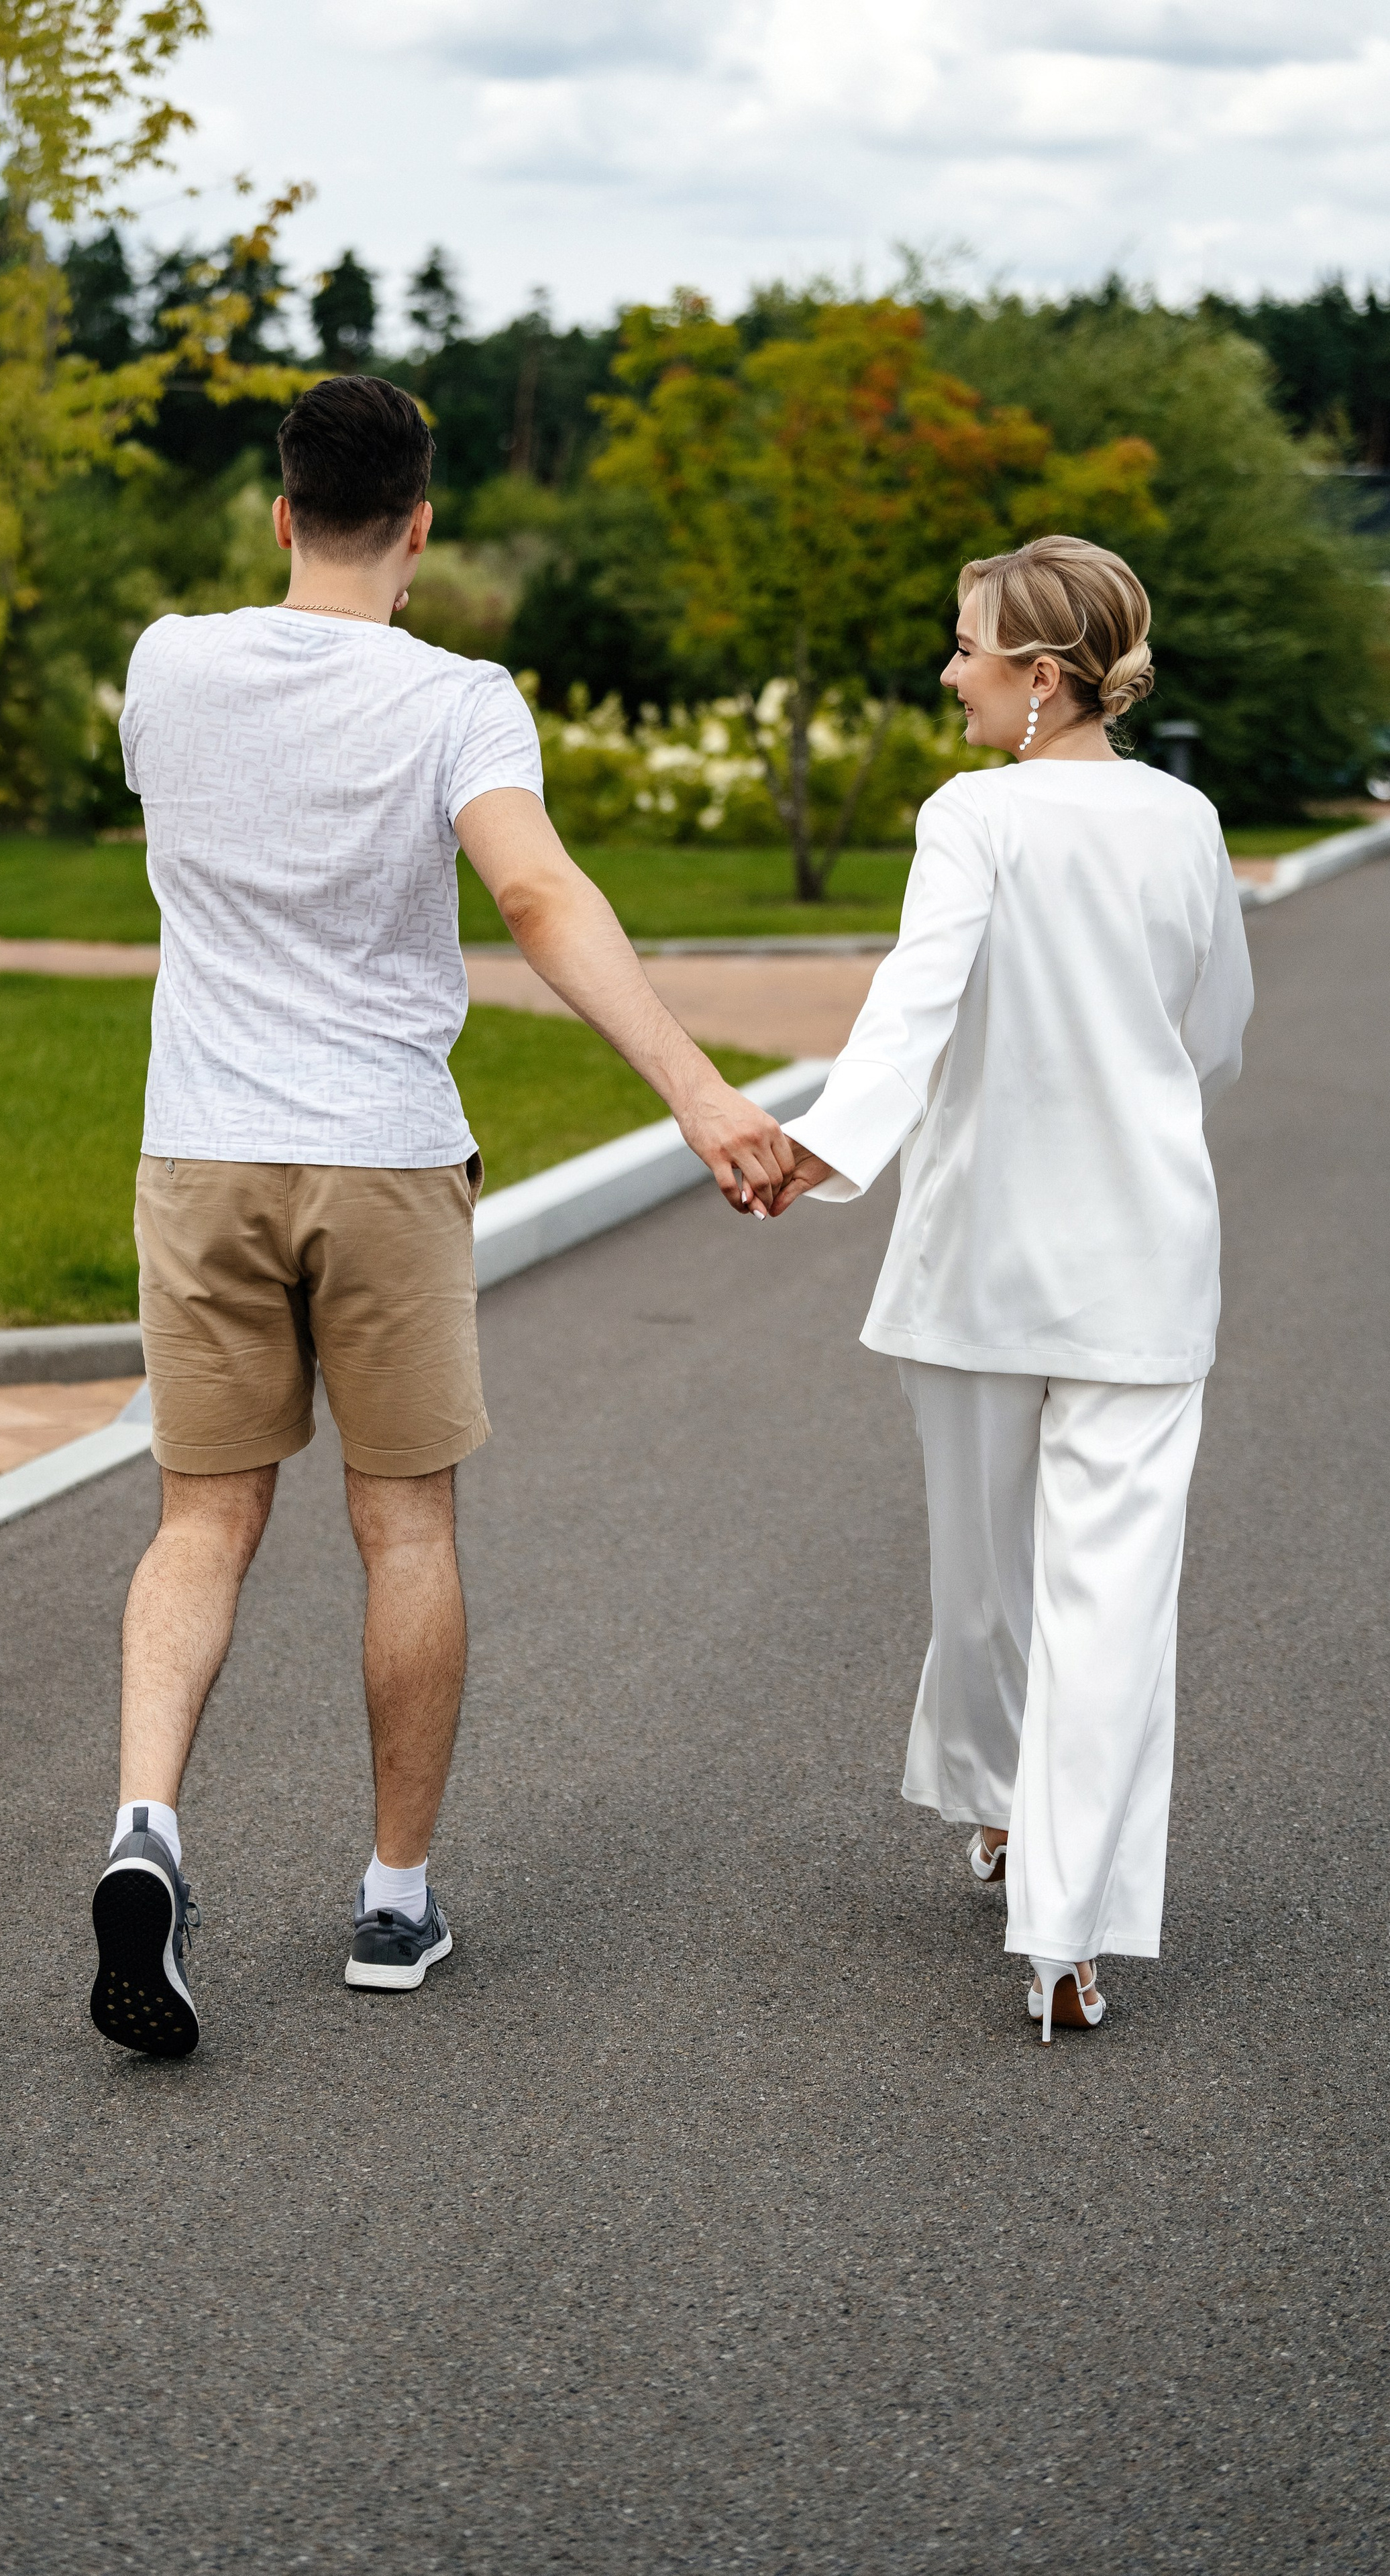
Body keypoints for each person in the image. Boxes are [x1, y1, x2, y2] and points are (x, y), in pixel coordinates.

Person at [89, 374, 794, 2057]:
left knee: (201, 1521)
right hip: (386, 1158)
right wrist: (700, 1093)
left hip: (199, 1154)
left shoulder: (167, 663)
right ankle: (394, 1903)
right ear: (419, 526)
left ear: (279, 515)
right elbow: (535, 889)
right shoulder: (458, 698)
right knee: (402, 1531)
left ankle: (146, 1836)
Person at [770, 533, 1253, 2041]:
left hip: (986, 1260)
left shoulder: (970, 818)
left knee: (991, 1586)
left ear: (1039, 679)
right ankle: (1048, 1901)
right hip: (1141, 1255)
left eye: (964, 646)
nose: (947, 670)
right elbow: (1214, 1033)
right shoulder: (1183, 822)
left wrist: (815, 1147)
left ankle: (1032, 1875)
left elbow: (910, 1009)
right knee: (1083, 1599)